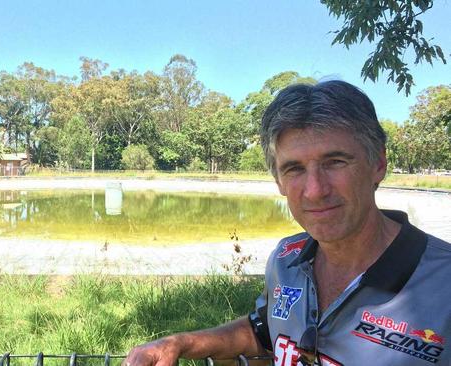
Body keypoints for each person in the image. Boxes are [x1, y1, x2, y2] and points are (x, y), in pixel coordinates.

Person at [123, 80, 451, 366]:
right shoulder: (287, 258)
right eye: (294, 169)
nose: (315, 191)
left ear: (378, 163)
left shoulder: (443, 281)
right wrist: (179, 343)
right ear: (278, 181)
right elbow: (265, 331)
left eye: (335, 162)